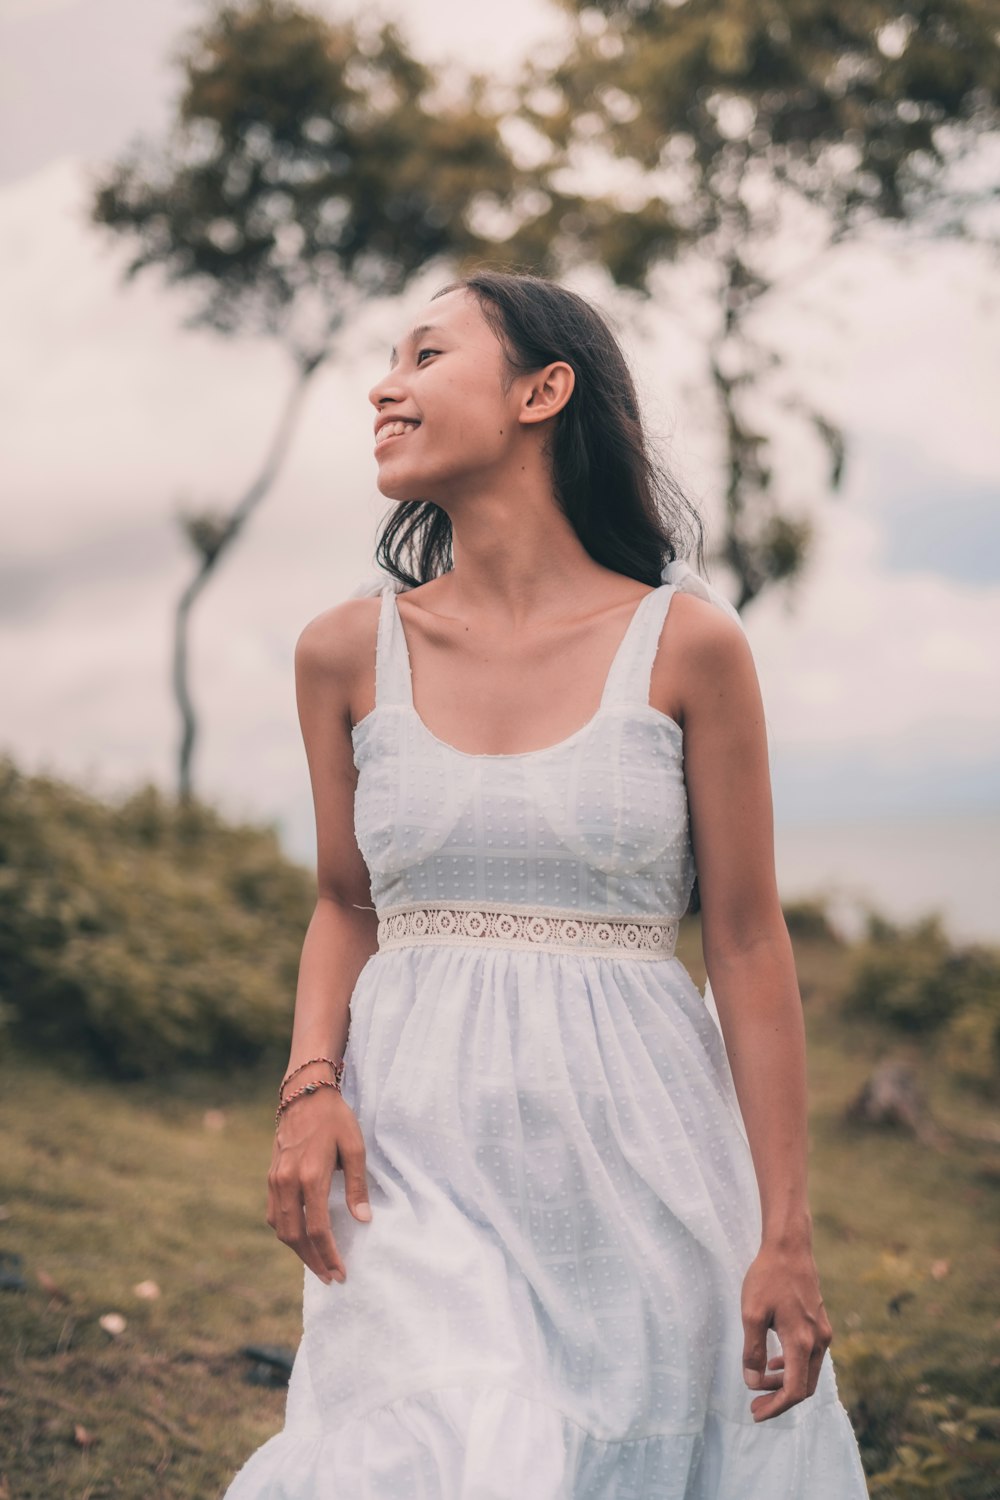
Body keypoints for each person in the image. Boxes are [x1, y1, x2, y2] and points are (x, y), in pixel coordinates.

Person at [224, 269, 870, 1496]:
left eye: (424, 355)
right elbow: (345, 903)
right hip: (411, 1157)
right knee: (449, 1450)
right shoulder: (342, 654)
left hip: (643, 1171)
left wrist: (784, 1234)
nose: (385, 384)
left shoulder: (687, 645)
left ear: (543, 389)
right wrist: (309, 1088)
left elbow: (742, 941)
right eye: (389, 360)